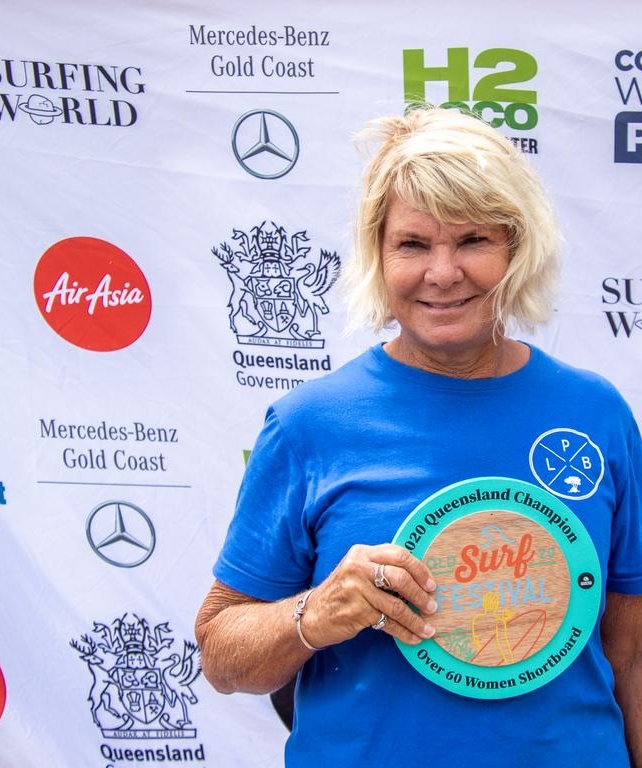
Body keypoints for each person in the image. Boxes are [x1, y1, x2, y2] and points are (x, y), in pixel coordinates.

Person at [195, 108, 642, 767]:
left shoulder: (594, 413)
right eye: (412, 244)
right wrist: (314, 615)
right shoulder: (309, 424)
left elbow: (630, 648)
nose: (442, 272)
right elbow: (219, 653)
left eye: (472, 241)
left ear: (517, 249)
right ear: (378, 255)